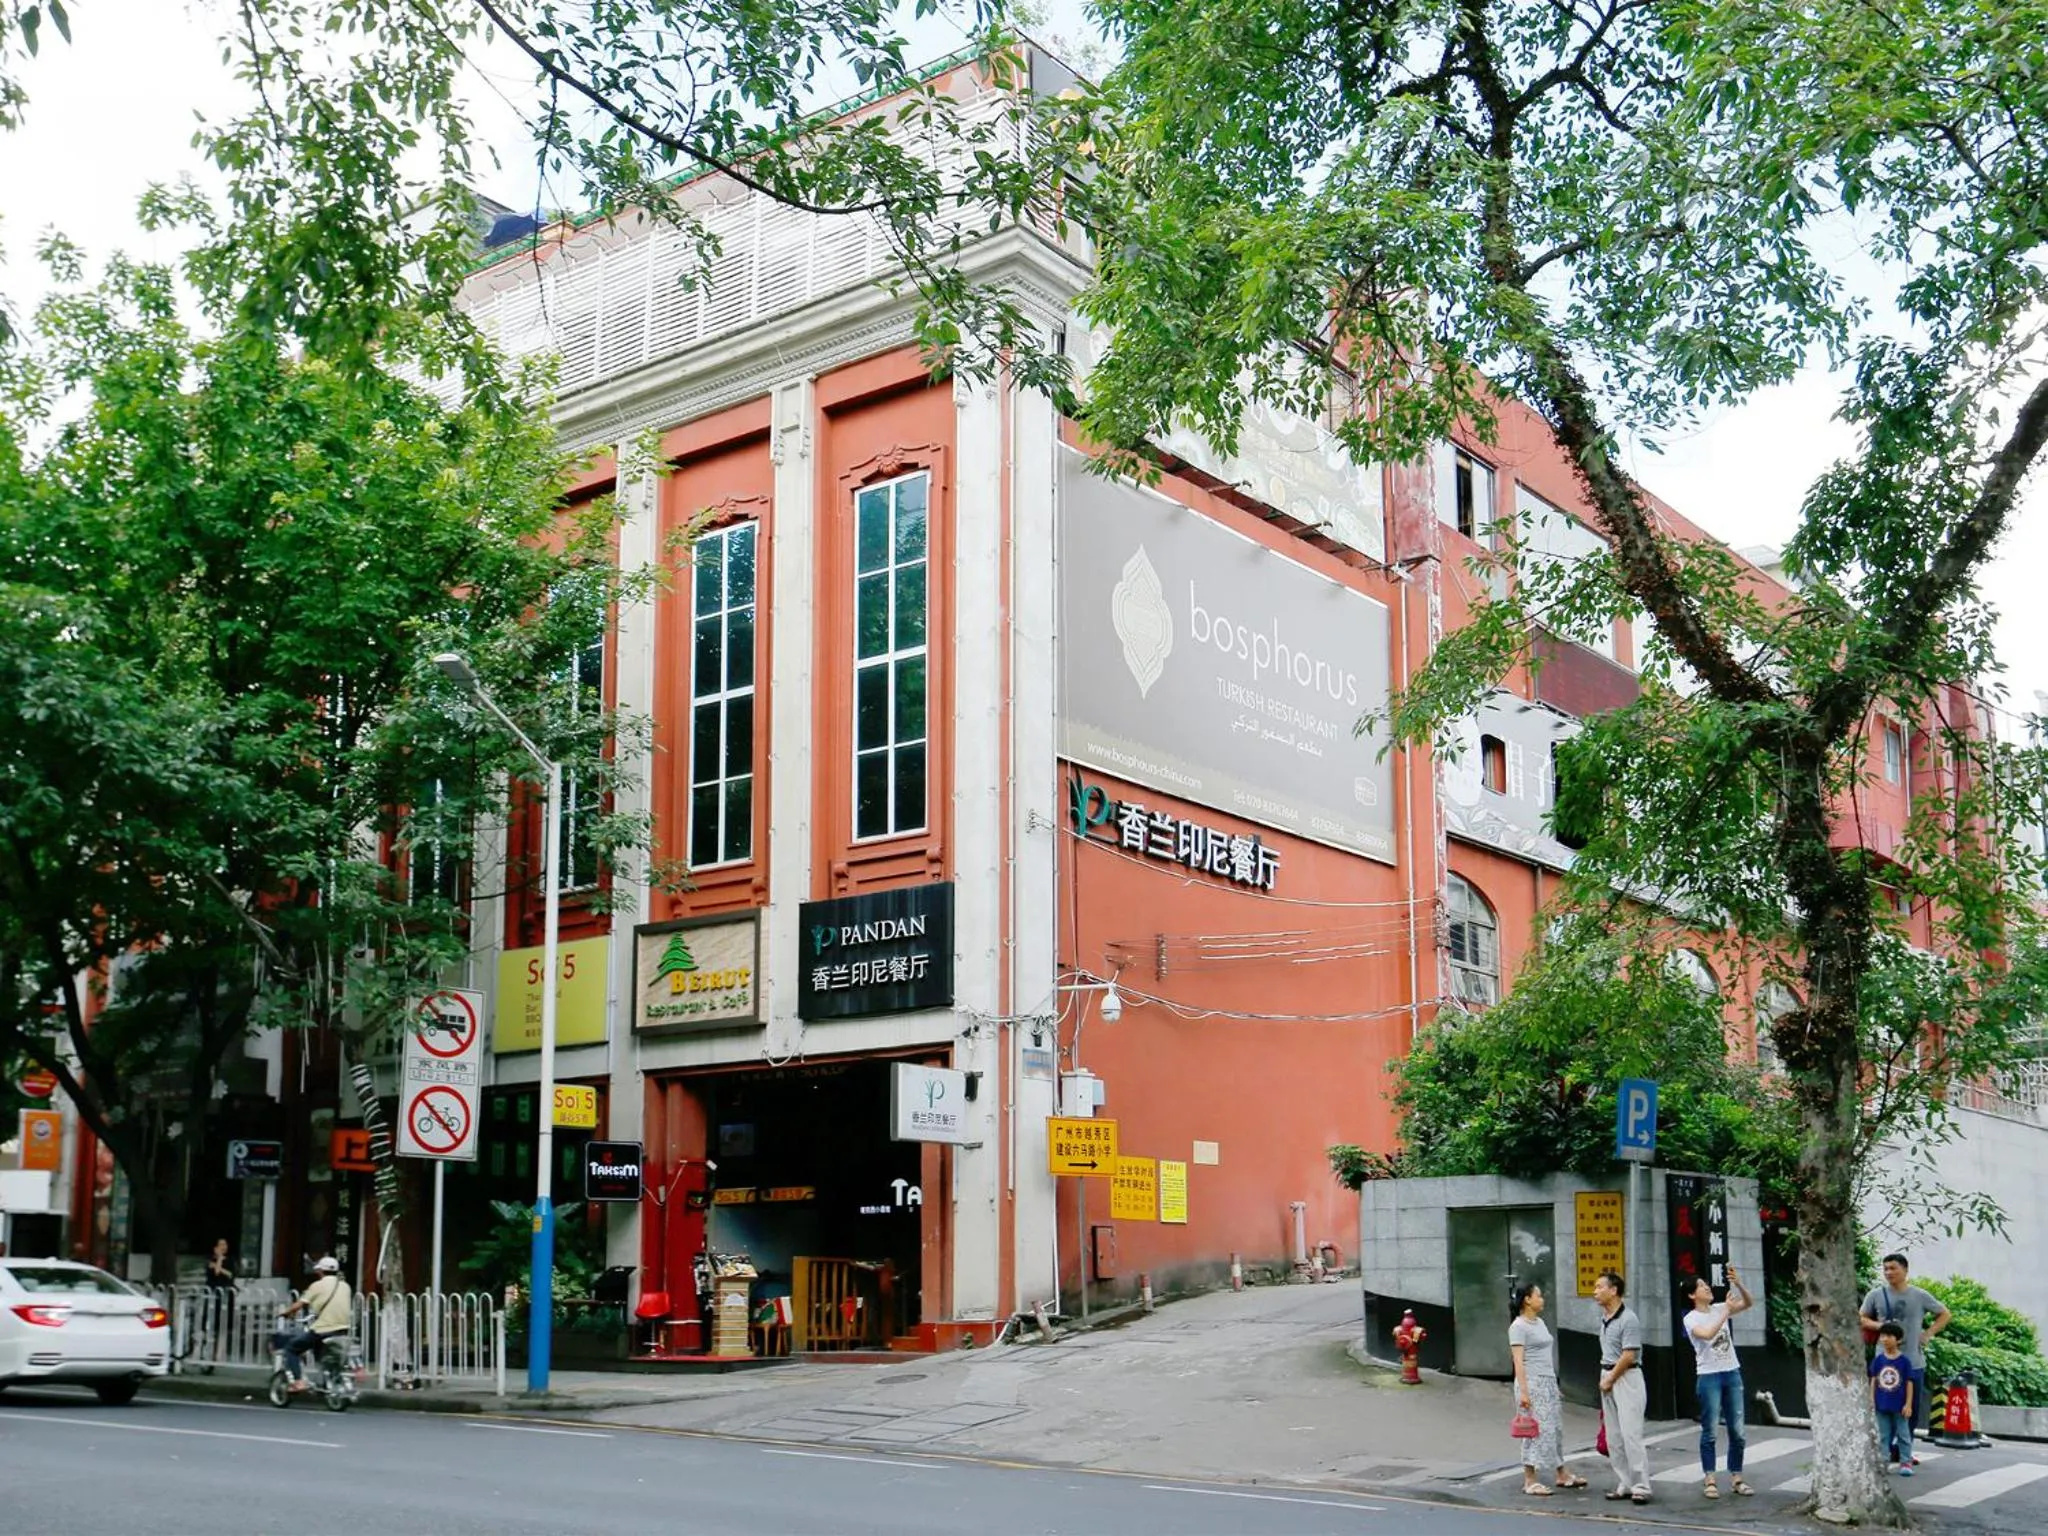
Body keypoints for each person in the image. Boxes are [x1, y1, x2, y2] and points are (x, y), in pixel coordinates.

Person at [1858, 1253, 1951, 1460]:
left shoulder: (1919, 1295)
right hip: (1884, 1363)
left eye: (1893, 1268)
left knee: (1910, 1410)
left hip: (1912, 1361)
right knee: (1883, 1408)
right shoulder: (1876, 1295)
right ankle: (1885, 1450)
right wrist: (1881, 1326)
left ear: (1905, 1270)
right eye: (1886, 1269)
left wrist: (1928, 1334)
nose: (1889, 1272)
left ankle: (1904, 1451)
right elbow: (1861, 1318)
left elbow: (1944, 1313)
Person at [1683, 1266, 1756, 1498]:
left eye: (1707, 1285)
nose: (1707, 1288)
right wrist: (1726, 1312)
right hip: (1708, 1376)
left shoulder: (1718, 1308)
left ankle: (1737, 1477)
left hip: (1732, 1372)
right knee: (1710, 1429)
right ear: (1693, 1295)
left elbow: (1748, 1303)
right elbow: (1706, 1335)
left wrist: (1739, 1283)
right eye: (1702, 1287)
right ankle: (1710, 1478)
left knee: (1738, 1430)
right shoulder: (1691, 1318)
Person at [1509, 1282, 1587, 1496]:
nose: (1542, 1299)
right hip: (1531, 1383)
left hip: (1547, 1382)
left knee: (1554, 1429)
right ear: (1527, 1299)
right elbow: (1518, 1361)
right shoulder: (1518, 1327)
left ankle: (1561, 1473)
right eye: (1538, 1296)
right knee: (1533, 1430)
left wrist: (1553, 1385)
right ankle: (1529, 1479)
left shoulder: (1540, 1322)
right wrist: (1524, 1392)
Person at [1594, 1270, 1651, 1504]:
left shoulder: (1629, 1319)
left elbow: (1629, 1355)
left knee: (1631, 1434)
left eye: (1599, 1287)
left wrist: (1610, 1378)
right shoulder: (1605, 1318)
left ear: (1613, 1290)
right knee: (1614, 1436)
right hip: (1607, 1373)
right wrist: (1605, 1377)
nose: (1595, 1292)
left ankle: (1641, 1486)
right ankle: (1625, 1482)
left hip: (1626, 1377)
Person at [273, 1255, 352, 1392]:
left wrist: (286, 1313)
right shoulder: (345, 1286)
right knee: (324, 1355)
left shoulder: (317, 1285)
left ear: (320, 1271)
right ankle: (326, 1379)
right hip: (342, 1329)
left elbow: (300, 1304)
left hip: (322, 1330)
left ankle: (298, 1381)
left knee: (292, 1348)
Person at [1870, 1322, 1918, 1476]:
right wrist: (1871, 1400)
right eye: (1882, 1336)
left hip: (1900, 1406)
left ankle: (1906, 1462)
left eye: (1889, 1336)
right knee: (1883, 1435)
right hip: (1881, 1404)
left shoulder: (1904, 1361)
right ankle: (1884, 1461)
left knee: (1903, 1435)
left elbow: (1909, 1383)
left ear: (1898, 1340)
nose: (1884, 1339)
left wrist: (1908, 1404)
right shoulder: (1878, 1360)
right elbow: (1874, 1380)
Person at [199, 1237, 236, 1373]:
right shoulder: (210, 1260)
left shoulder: (231, 1261)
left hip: (225, 1297)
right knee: (209, 1326)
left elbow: (230, 1274)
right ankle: (206, 1357)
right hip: (212, 1297)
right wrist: (218, 1260)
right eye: (220, 1245)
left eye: (225, 1245)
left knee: (222, 1327)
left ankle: (216, 1357)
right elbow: (215, 1272)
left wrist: (219, 1266)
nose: (223, 1247)